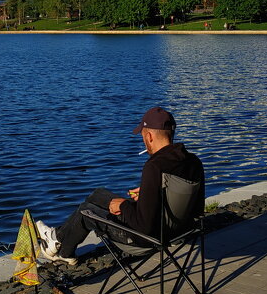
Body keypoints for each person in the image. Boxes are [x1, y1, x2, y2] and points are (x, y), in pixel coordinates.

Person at [35, 107, 205, 265]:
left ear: (149, 136)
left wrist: (124, 205)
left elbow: (143, 226)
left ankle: (62, 248)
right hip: (180, 231)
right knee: (98, 195)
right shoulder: (193, 162)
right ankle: (59, 240)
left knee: (86, 211)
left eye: (143, 137)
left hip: (146, 238)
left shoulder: (155, 167)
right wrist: (149, 195)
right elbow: (196, 209)